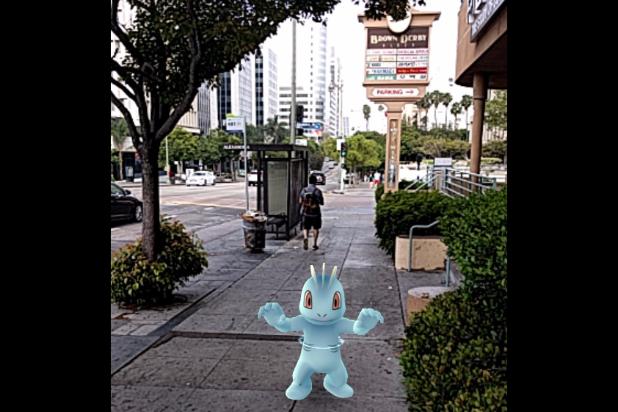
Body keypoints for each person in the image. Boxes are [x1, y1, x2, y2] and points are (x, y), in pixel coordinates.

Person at [299, 174, 324, 250]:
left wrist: (305, 204)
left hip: (306, 213)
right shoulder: (317, 191)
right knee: (316, 228)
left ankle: (305, 238)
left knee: (305, 227)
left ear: (309, 181)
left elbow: (300, 201)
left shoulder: (304, 190)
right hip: (315, 213)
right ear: (315, 182)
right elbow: (322, 202)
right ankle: (315, 244)